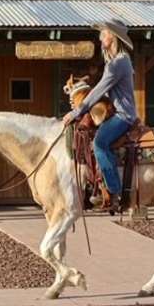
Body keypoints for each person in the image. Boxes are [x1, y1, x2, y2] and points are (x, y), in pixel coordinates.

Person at [63, 19, 137, 212]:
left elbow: (98, 91)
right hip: (118, 112)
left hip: (123, 115)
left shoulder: (118, 63)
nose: (100, 37)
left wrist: (76, 112)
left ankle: (114, 192)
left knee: (99, 144)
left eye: (103, 33)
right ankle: (95, 188)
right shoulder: (116, 61)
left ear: (112, 36)